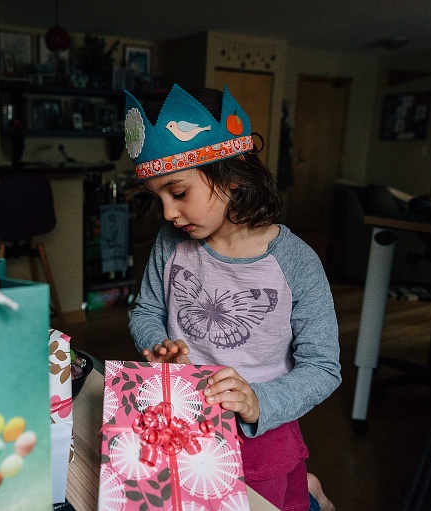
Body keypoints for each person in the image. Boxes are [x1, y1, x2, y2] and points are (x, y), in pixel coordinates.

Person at [126, 84, 341, 511]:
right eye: (159, 199)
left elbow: (323, 367)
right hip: (185, 416)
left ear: (234, 173)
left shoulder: (296, 262)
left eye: (179, 192)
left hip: (261, 433)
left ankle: (311, 493)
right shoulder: (170, 245)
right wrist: (157, 345)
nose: (168, 213)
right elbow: (147, 310)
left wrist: (258, 402)